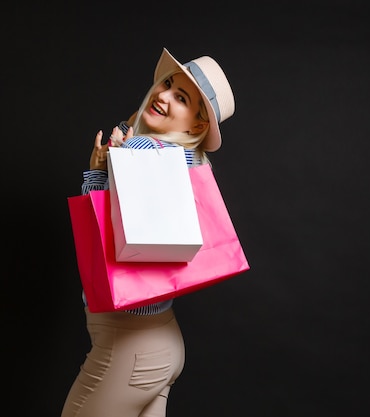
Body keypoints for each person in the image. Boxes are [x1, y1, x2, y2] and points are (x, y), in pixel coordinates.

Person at [61, 47, 235, 417]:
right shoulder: (194, 161)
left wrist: (98, 169)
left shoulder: (141, 149)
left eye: (181, 97)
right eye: (168, 84)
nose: (163, 95)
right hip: (166, 342)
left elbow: (101, 229)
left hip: (128, 346)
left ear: (198, 125)